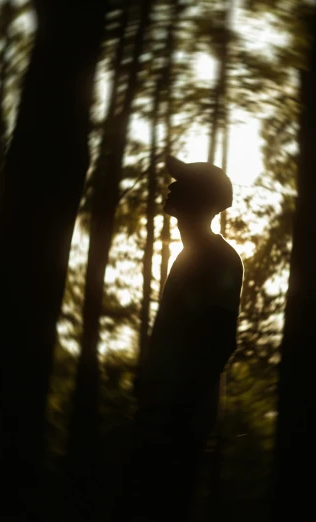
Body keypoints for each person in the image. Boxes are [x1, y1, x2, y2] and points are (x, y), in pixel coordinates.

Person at [125, 156, 244, 522]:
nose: (172, 186)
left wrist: (174, 410)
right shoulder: (190, 258)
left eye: (184, 183)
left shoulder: (219, 259)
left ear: (202, 199)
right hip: (164, 417)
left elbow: (218, 342)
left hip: (177, 424)